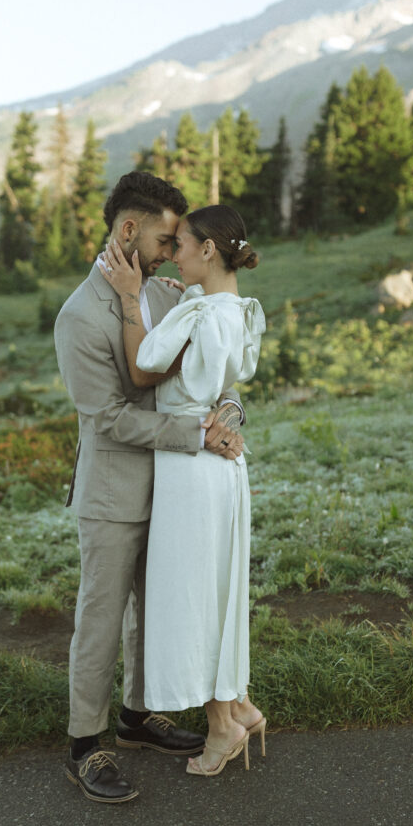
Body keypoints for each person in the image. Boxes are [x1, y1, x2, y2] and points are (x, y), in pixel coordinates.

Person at [54, 172, 246, 804]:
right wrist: (195, 434)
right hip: (112, 495)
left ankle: (139, 716)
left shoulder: (167, 296)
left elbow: (211, 364)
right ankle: (86, 743)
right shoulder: (79, 316)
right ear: (128, 231)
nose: (172, 252)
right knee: (103, 619)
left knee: (155, 614)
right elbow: (107, 417)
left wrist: (230, 414)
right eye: (165, 239)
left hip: (175, 491)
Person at [102, 203, 266, 777]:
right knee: (218, 589)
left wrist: (130, 298)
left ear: (208, 251)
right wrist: (188, 302)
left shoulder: (199, 313)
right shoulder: (237, 309)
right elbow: (230, 380)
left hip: (191, 463)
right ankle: (236, 704)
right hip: (220, 467)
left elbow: (145, 364)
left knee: (192, 597)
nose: (171, 253)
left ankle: (222, 725)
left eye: (181, 244)